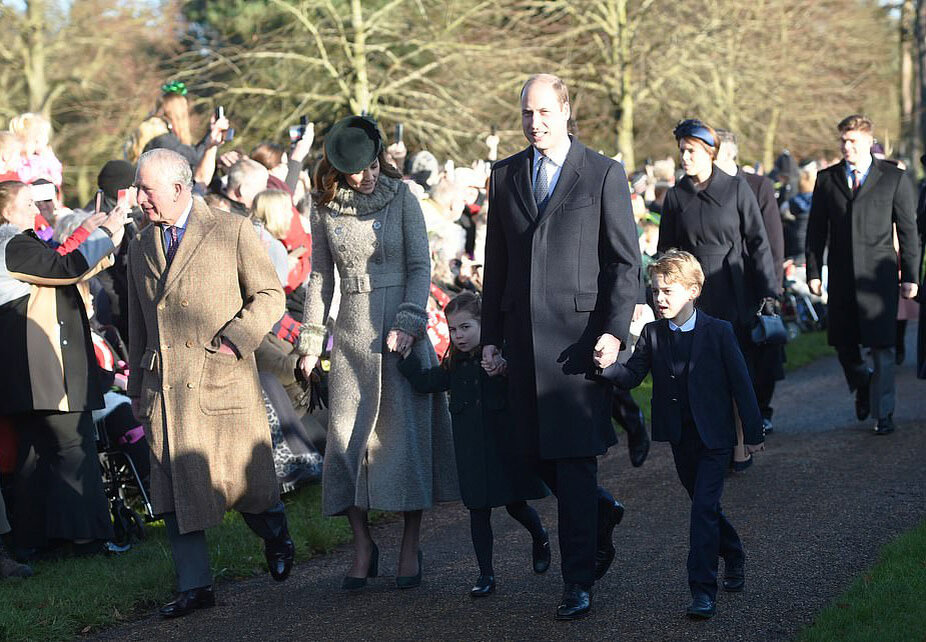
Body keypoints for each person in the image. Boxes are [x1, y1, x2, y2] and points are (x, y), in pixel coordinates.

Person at [480, 74, 640, 620]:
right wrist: (491, 339)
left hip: (578, 346)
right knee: (529, 454)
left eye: (544, 112)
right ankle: (600, 510)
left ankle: (577, 581)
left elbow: (624, 263)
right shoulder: (504, 175)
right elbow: (497, 264)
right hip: (522, 345)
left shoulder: (602, 173)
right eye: (527, 113)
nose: (535, 123)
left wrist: (614, 331)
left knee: (573, 463)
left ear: (566, 111)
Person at [125, 149, 294, 619]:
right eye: (139, 189)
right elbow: (137, 322)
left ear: (179, 189)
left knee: (244, 484)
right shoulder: (139, 245)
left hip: (219, 381)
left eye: (146, 190)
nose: (139, 199)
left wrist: (235, 341)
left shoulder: (230, 230)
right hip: (165, 388)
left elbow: (270, 295)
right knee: (176, 489)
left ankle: (276, 533)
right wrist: (137, 386)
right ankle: (195, 586)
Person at [296, 115, 457, 591]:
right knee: (346, 444)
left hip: (401, 333)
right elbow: (320, 277)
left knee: (405, 443)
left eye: (371, 165)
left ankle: (410, 544)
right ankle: (363, 544)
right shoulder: (324, 207)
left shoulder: (402, 196)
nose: (366, 176)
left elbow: (420, 265)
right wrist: (310, 342)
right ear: (337, 168)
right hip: (352, 337)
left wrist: (409, 322)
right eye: (355, 170)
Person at [597, 250, 764, 619]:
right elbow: (632, 376)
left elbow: (742, 385)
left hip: (715, 438)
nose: (659, 298)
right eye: (655, 291)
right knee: (705, 507)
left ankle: (702, 591)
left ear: (693, 291)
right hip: (680, 437)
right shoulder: (653, 334)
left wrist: (753, 433)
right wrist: (607, 367)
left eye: (668, 291)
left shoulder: (719, 332)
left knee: (702, 510)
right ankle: (733, 552)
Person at [397, 292, 550, 597]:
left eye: (466, 327)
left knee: (516, 505)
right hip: (471, 454)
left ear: (484, 324)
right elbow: (427, 382)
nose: (458, 336)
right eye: (453, 329)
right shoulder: (454, 365)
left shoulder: (497, 359)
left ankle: (540, 536)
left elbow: (522, 384)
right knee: (478, 513)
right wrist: (406, 357)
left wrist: (505, 368)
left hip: (503, 449)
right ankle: (485, 574)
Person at [0, 180, 124, 556]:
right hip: (44, 370)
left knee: (35, 455)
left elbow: (64, 269)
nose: (35, 210)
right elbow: (65, 269)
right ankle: (87, 539)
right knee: (73, 448)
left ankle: (36, 541)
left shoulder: (15, 244)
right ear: (5, 210)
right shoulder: (12, 243)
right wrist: (105, 233)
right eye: (26, 203)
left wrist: (101, 238)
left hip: (26, 372)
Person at [658, 119, 777, 470]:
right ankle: (712, 445)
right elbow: (666, 250)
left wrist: (768, 291)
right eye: (681, 151)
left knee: (736, 370)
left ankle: (741, 441)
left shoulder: (737, 189)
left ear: (710, 152)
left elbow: (758, 242)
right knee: (701, 374)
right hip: (694, 297)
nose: (684, 157)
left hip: (735, 292)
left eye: (691, 151)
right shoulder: (676, 196)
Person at [806, 115, 919, 435]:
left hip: (878, 278)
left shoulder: (893, 177)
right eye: (843, 141)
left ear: (869, 141)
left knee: (882, 346)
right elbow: (816, 230)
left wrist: (910, 276)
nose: (847, 147)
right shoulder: (827, 179)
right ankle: (862, 382)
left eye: (853, 141)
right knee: (843, 343)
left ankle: (884, 413)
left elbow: (908, 232)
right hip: (841, 276)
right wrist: (814, 272)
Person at [716, 129, 785, 435]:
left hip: (756, 282)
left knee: (763, 348)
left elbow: (772, 239)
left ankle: (762, 409)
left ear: (731, 153)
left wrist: (773, 286)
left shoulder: (757, 185)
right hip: (722, 285)